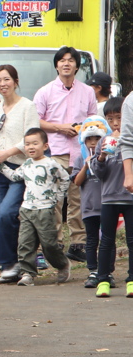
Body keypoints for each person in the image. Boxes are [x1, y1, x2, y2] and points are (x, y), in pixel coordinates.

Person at [0, 64, 40, 283]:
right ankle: (10, 264)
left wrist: (6, 153)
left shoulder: (27, 106)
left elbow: (31, 139)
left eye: (6, 79)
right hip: (0, 171)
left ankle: (15, 262)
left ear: (15, 80)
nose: (2, 84)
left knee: (6, 213)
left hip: (21, 169)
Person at [33, 46, 97, 263]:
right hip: (55, 151)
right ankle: (55, 245)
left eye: (71, 60)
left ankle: (78, 244)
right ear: (56, 65)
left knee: (78, 199)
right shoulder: (45, 91)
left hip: (80, 153)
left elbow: (93, 120)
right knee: (55, 201)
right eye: (62, 60)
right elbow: (36, 121)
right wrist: (60, 127)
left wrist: (83, 128)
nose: (66, 63)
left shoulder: (87, 92)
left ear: (77, 66)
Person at [0, 128, 70, 286]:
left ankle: (62, 264)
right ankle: (27, 273)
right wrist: (0, 166)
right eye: (27, 144)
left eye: (35, 143)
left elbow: (65, 179)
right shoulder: (27, 164)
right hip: (27, 209)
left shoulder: (51, 164)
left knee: (48, 244)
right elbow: (15, 176)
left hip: (45, 210)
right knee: (25, 243)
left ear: (45, 146)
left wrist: (58, 197)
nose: (31, 147)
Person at [89, 98, 132, 298]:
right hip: (108, 199)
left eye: (119, 118)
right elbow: (98, 174)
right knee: (106, 240)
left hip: (130, 197)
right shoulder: (102, 142)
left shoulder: (130, 140)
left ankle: (131, 280)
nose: (115, 123)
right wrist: (102, 156)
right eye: (110, 119)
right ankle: (103, 279)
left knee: (132, 240)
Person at [72, 118, 107, 288]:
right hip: (89, 208)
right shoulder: (80, 159)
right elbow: (77, 182)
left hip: (107, 206)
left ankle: (107, 272)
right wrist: (86, 167)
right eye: (89, 139)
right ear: (83, 140)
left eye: (97, 139)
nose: (93, 143)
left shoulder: (108, 157)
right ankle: (93, 271)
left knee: (108, 241)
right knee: (91, 240)